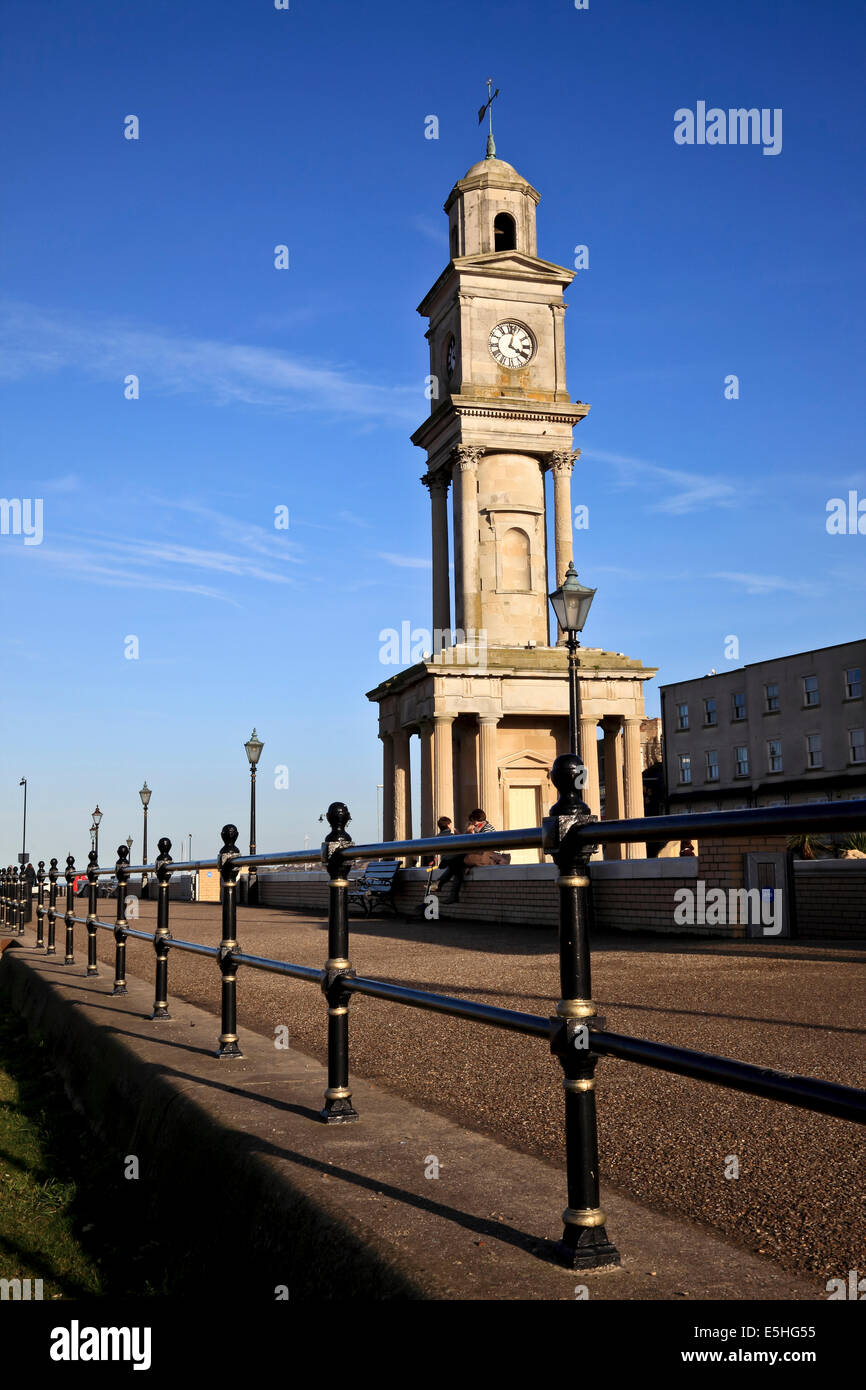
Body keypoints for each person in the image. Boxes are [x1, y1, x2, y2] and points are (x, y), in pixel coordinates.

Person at [433, 809, 494, 904]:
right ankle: (449, 892)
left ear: (476, 819)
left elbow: (482, 846)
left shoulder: (487, 828)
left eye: (473, 821)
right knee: (457, 866)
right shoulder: (479, 828)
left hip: (489, 856)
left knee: (456, 863)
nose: (472, 823)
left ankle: (440, 886)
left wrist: (470, 834)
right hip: (478, 855)